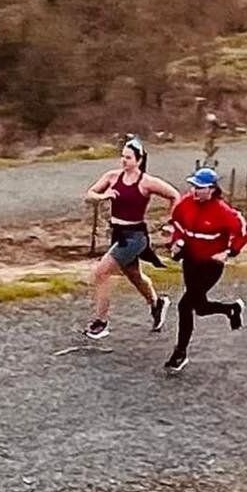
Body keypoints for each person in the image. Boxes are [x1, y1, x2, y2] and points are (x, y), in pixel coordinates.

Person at [83, 137, 180, 340]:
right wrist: (102, 197)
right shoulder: (112, 177)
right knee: (135, 277)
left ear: (139, 159)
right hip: (118, 234)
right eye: (122, 157)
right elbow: (90, 193)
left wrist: (172, 222)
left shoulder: (147, 182)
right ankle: (157, 303)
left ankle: (101, 323)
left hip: (135, 237)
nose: (123, 161)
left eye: (128, 157)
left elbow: (174, 195)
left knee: (101, 273)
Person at [163, 166, 247, 373]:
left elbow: (244, 232)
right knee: (200, 308)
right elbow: (176, 225)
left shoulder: (223, 211)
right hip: (190, 260)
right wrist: (176, 242)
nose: (195, 191)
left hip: (211, 264)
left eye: (200, 188)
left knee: (185, 305)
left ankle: (180, 353)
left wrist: (229, 252)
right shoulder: (185, 204)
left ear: (212, 189)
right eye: (193, 186)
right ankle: (231, 309)